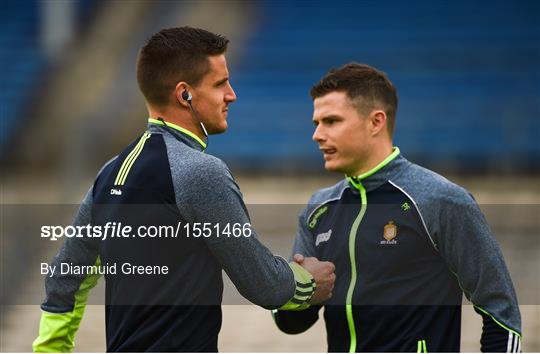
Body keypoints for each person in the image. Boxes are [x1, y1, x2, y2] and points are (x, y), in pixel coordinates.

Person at [33, 27, 335, 352]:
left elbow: (63, 278)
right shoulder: (201, 172)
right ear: (184, 94)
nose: (231, 94)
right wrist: (309, 281)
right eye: (220, 84)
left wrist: (51, 348)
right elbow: (264, 285)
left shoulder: (111, 172)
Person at [272, 63, 522, 352]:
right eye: (316, 123)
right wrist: (298, 290)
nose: (317, 134)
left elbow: (501, 312)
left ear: (376, 122)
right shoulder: (319, 209)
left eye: (331, 121)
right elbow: (290, 324)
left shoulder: (440, 200)